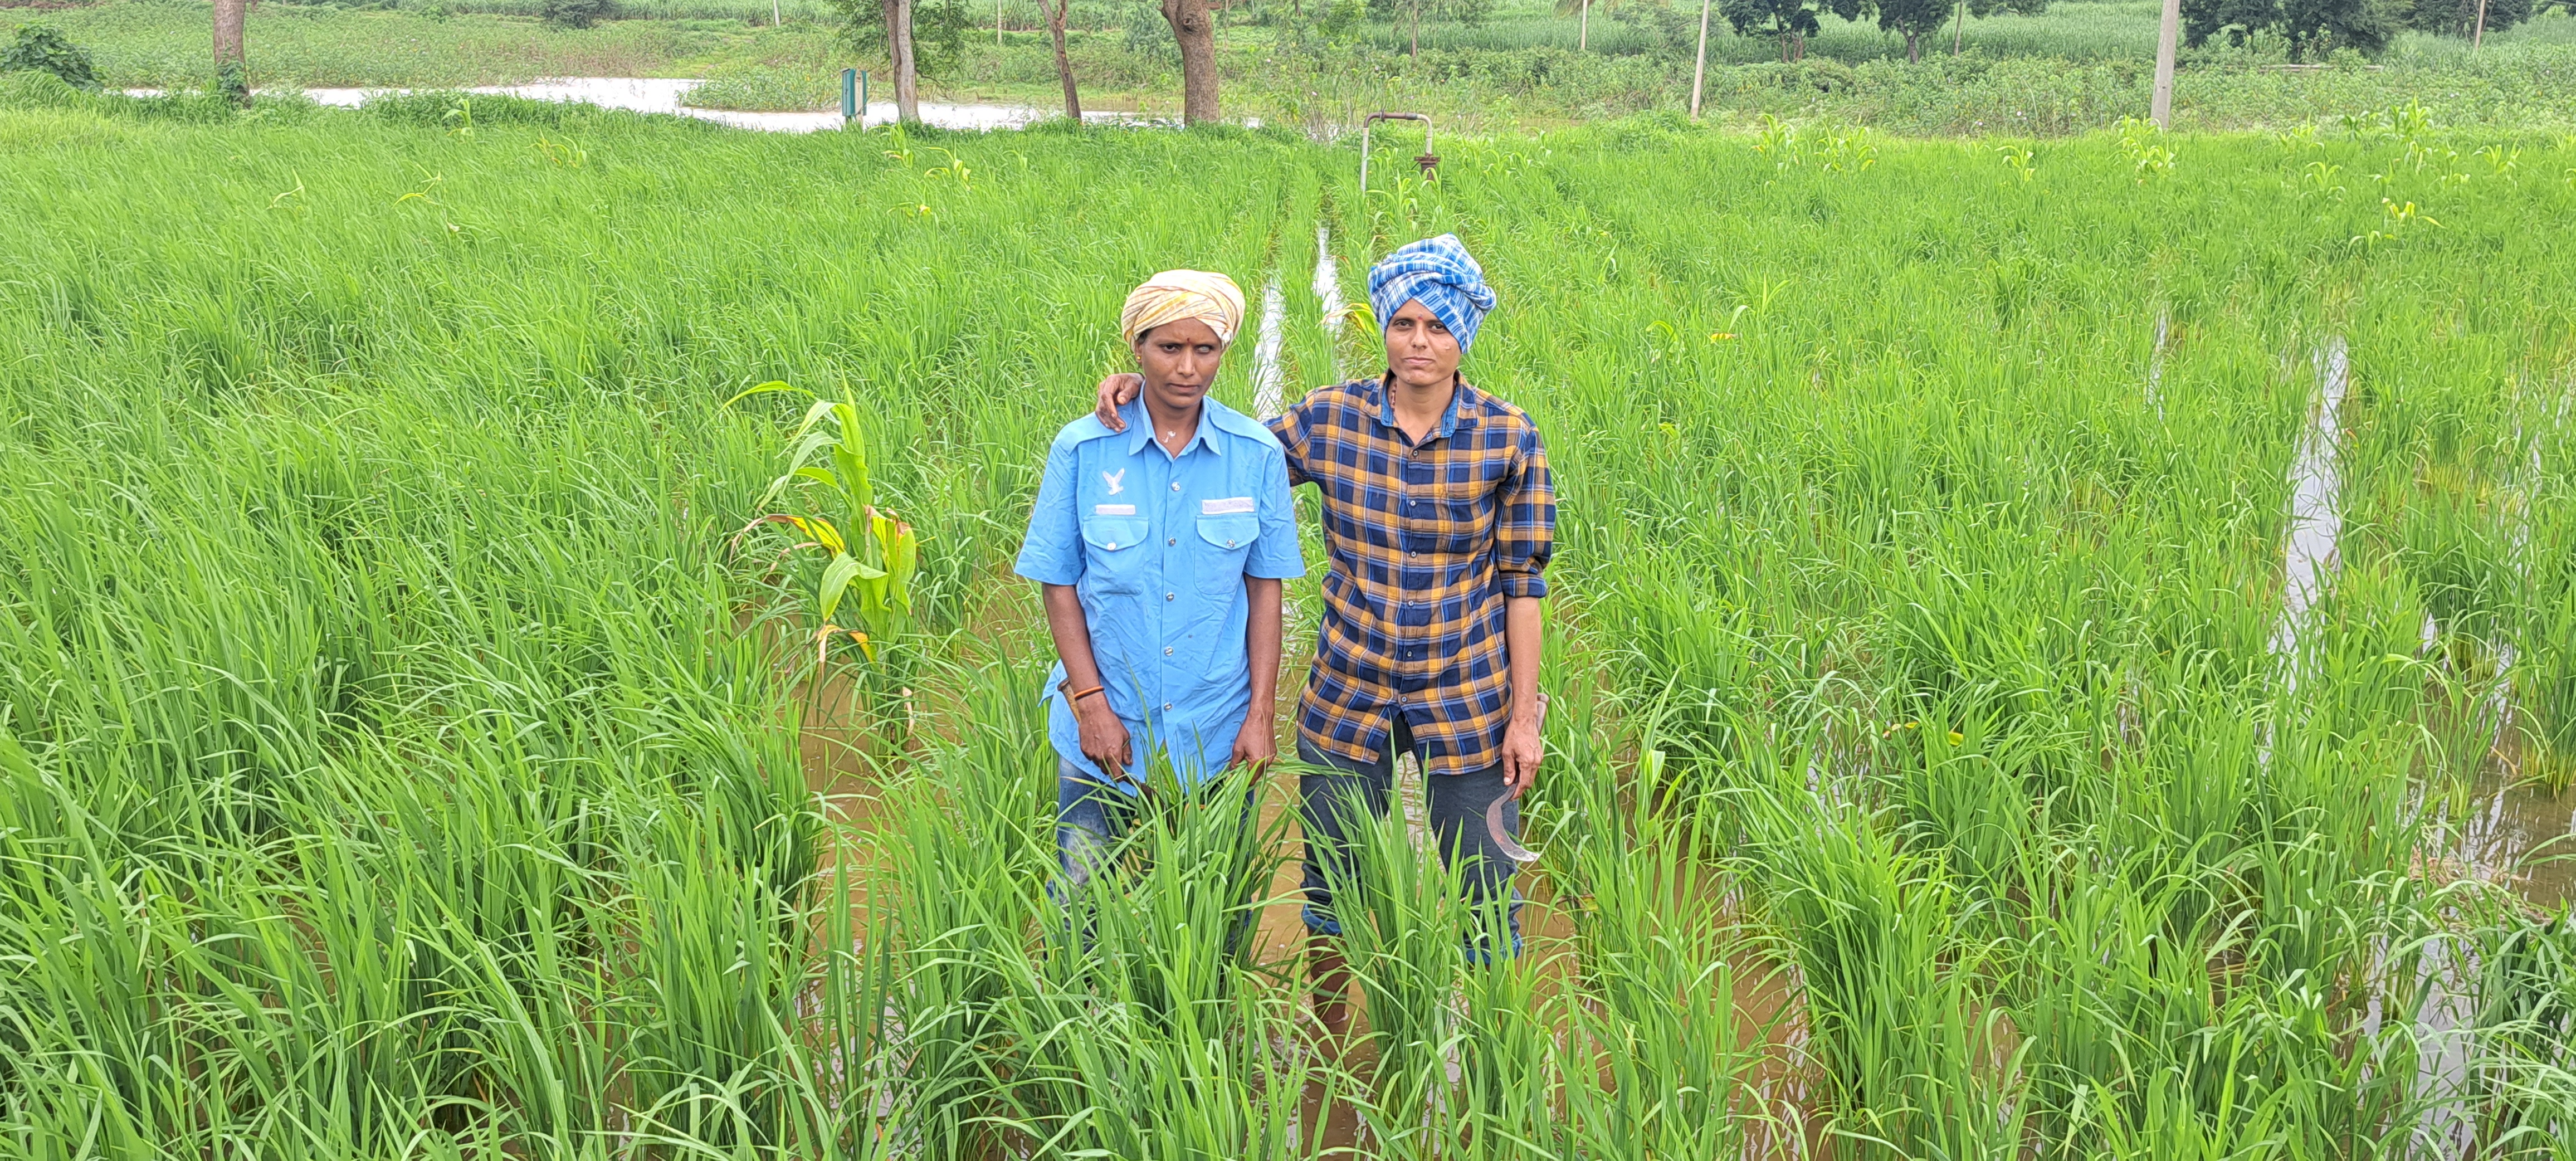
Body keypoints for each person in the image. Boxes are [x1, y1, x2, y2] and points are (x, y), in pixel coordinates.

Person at [1092, 235, 1554, 1033]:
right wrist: (1148, 391)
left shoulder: (1507, 437)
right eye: (1403, 323)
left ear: (1462, 337)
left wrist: (1523, 714)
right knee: (1331, 891)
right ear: (1382, 326)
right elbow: (1224, 451)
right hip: (1349, 691)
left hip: (1469, 694)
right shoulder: (1330, 420)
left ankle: (1492, 1057)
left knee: (1486, 893)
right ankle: (1339, 1057)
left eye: (1437, 328)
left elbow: (1524, 585)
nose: (1418, 343)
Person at [1016, 270, 1305, 906]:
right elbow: (1058, 584)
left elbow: (1265, 593)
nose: (1186, 367)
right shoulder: (1084, 448)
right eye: (1168, 348)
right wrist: (1090, 705)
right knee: (1080, 898)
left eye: (1204, 349)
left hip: (1217, 727)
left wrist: (1260, 715)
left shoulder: (1254, 453)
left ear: (1224, 353)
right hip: (1106, 722)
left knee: (1210, 904)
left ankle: (1197, 1010)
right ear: (1136, 348)